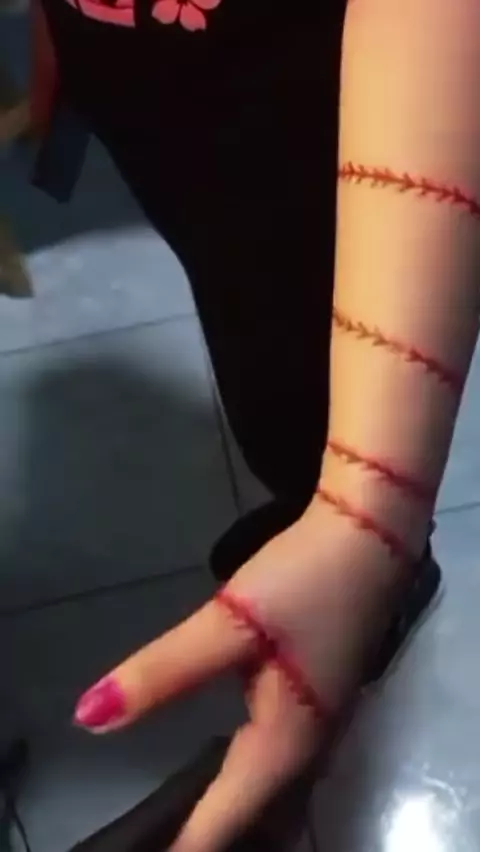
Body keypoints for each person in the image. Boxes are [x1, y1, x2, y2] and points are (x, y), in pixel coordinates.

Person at [31, 0, 479, 849]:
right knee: (244, 315)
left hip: (327, 91)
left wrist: (365, 518)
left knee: (298, 377)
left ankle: (386, 574)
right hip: (139, 78)